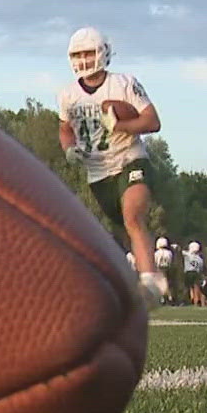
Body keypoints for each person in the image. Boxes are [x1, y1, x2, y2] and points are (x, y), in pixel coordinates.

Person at [57, 28, 167, 308]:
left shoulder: (123, 84)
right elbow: (65, 129)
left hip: (130, 158)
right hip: (98, 171)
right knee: (122, 227)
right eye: (78, 54)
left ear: (103, 52)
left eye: (88, 53)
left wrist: (121, 125)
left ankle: (150, 283)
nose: (83, 60)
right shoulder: (68, 95)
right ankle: (121, 283)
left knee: (133, 216)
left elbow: (152, 122)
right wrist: (69, 149)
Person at [183, 241, 205, 306]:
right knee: (196, 287)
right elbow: (201, 268)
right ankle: (196, 300)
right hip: (196, 273)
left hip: (188, 272)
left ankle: (189, 299)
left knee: (188, 287)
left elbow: (181, 251)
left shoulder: (187, 255)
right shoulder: (200, 259)